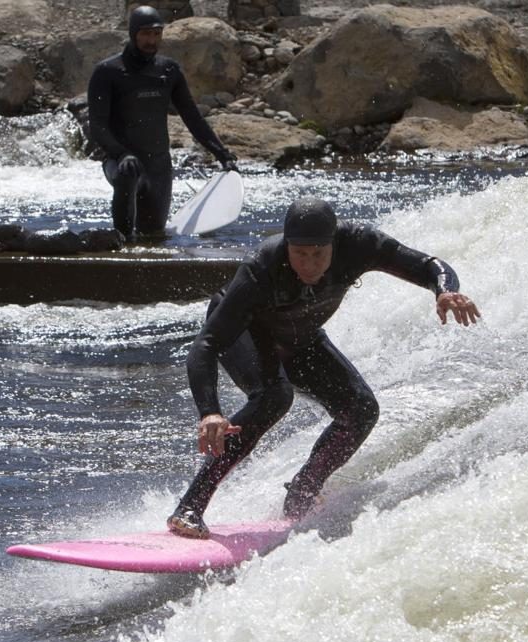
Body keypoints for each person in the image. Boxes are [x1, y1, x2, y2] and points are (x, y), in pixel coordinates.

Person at [166, 197, 481, 538]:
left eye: (319, 253)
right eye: (300, 254)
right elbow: (207, 343)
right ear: (287, 245)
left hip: (301, 336)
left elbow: (428, 264)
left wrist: (445, 290)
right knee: (274, 397)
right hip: (245, 332)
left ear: (334, 244)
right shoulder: (262, 266)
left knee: (361, 409)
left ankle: (302, 492)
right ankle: (189, 507)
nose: (310, 264)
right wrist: (210, 412)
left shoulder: (360, 244)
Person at [86, 5, 237, 241]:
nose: (152, 40)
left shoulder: (168, 70)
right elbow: (97, 126)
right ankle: (120, 250)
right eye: (146, 34)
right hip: (121, 161)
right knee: (128, 196)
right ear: (133, 33)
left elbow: (192, 117)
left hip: (158, 165)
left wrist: (222, 153)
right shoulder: (108, 72)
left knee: (155, 237)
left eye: (157, 34)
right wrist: (122, 153)